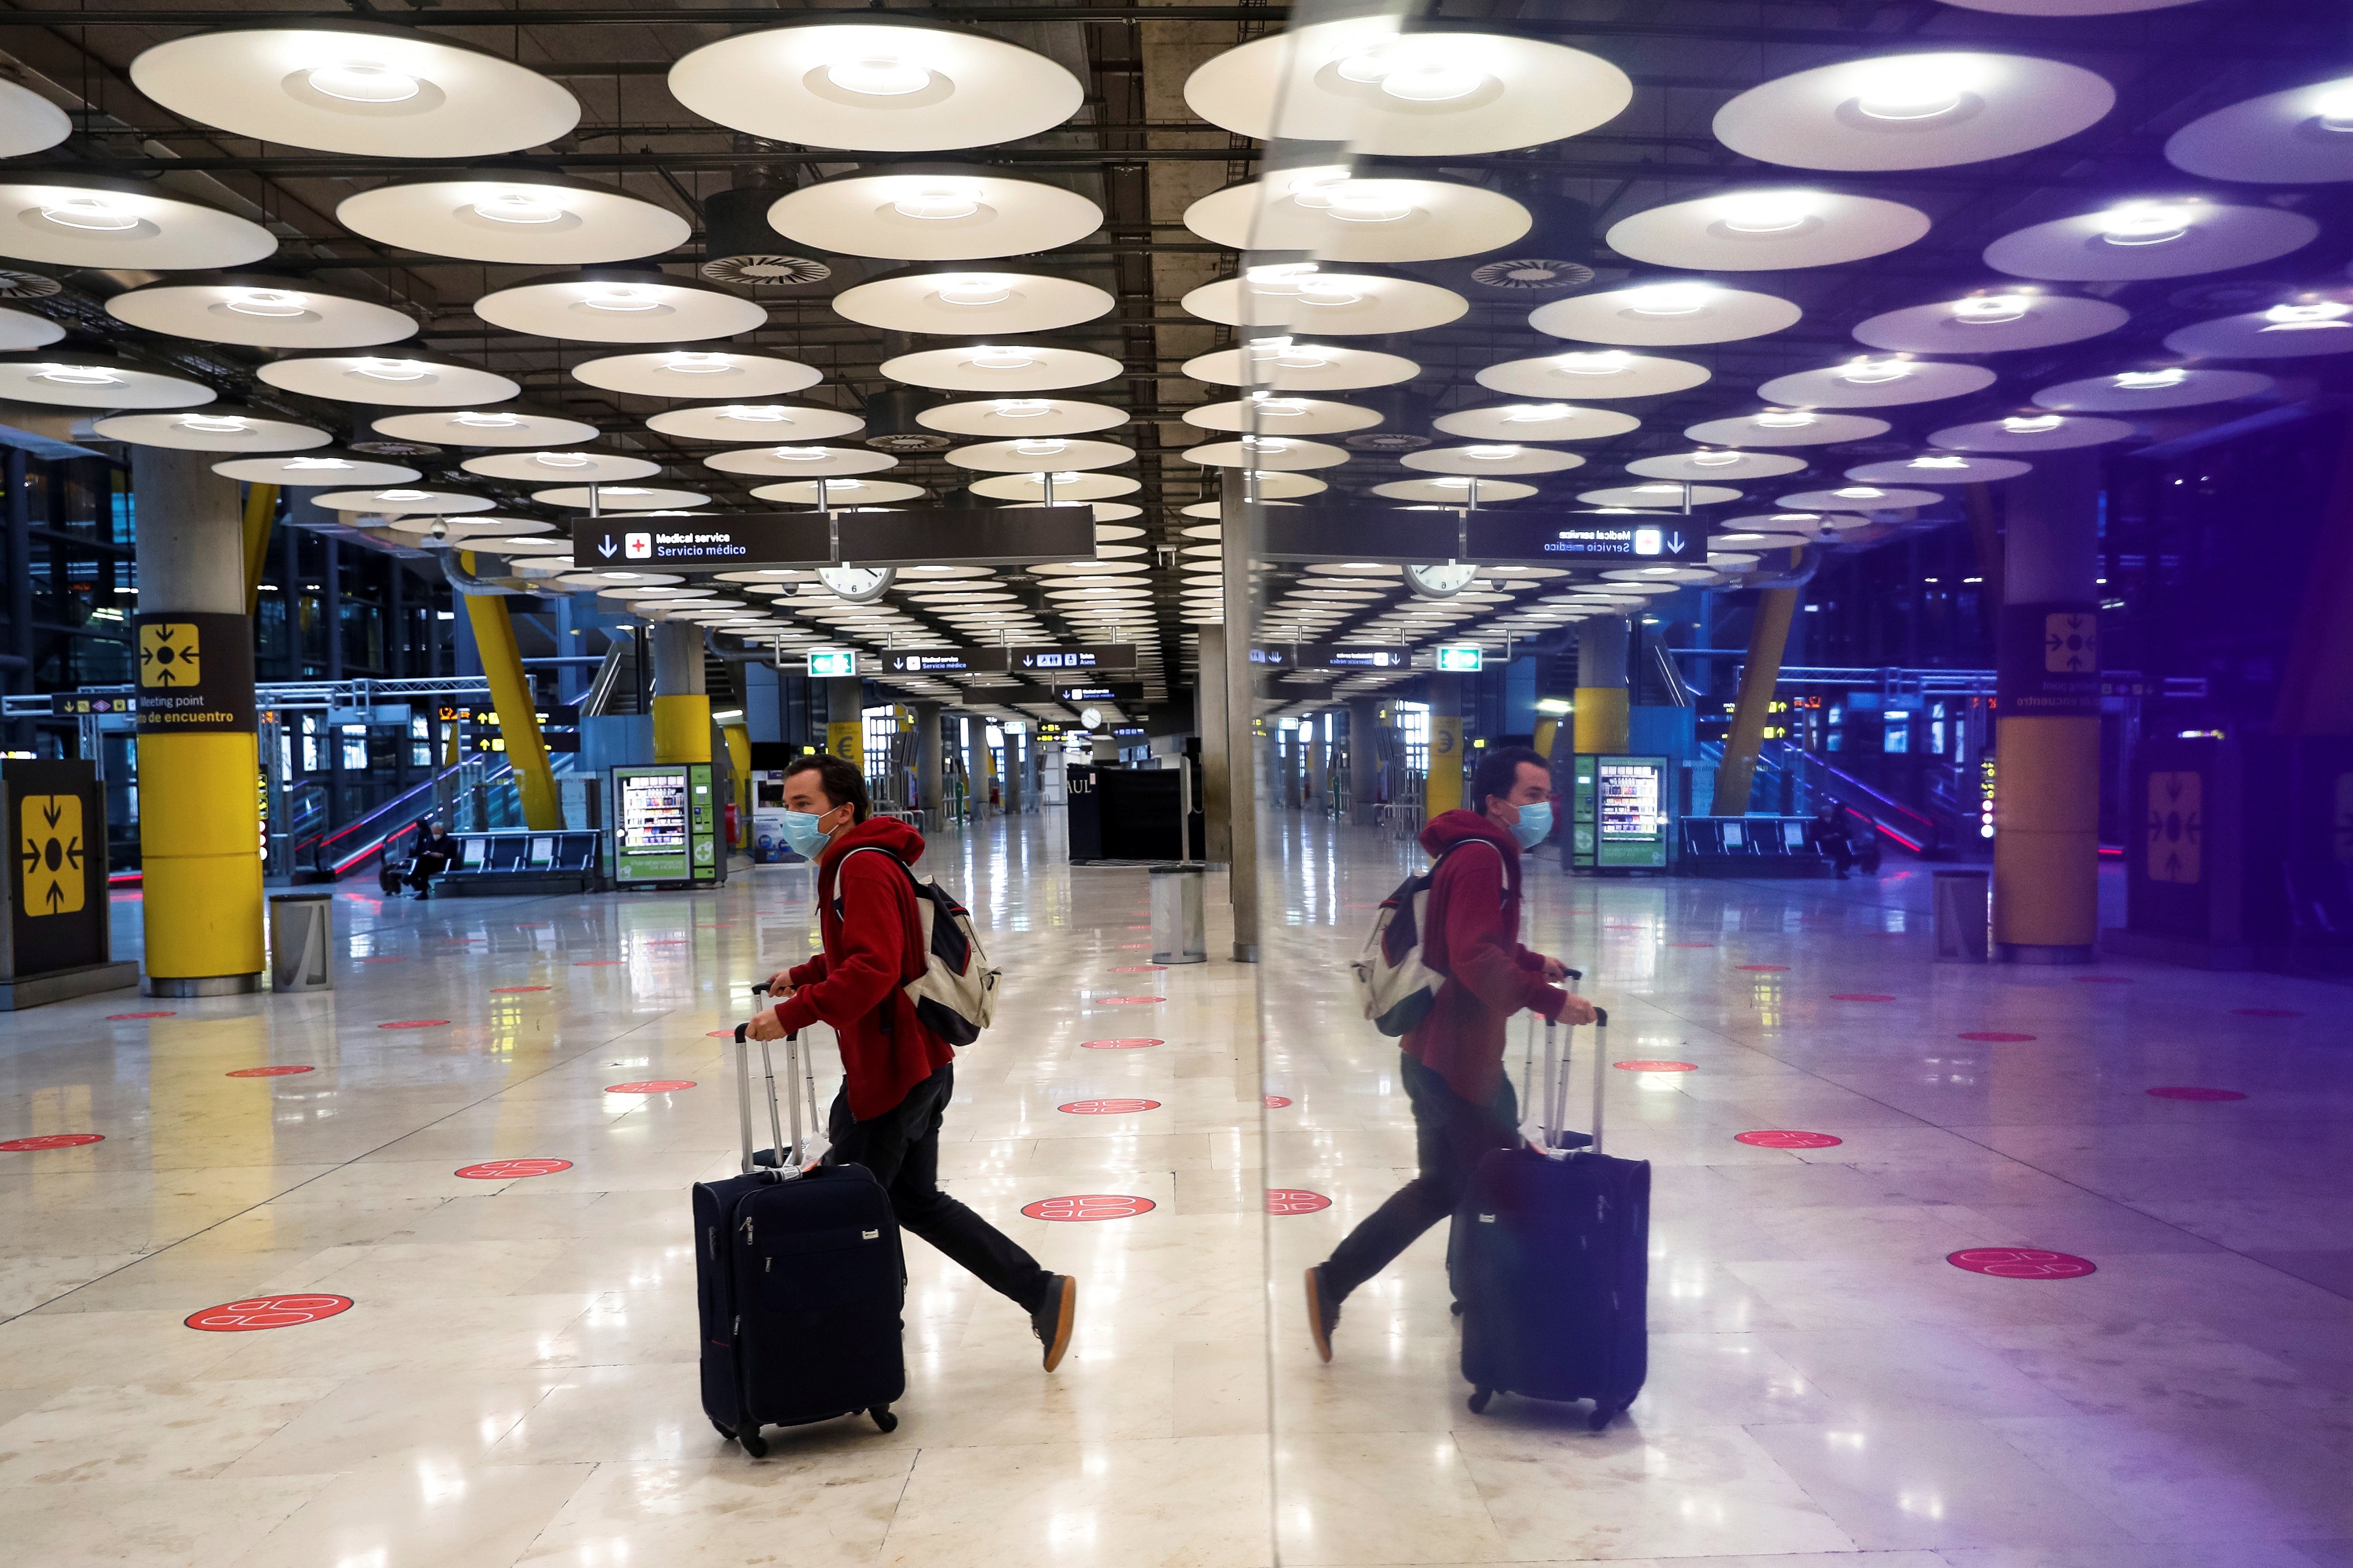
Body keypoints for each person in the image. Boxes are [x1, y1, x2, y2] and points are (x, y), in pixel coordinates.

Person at [747, 753, 1078, 1371]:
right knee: (914, 1201)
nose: (789, 818)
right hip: (916, 1064)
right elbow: (880, 953)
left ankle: (856, 1349)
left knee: (852, 1210)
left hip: (891, 1072)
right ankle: (1039, 1291)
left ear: (841, 813)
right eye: (785, 804)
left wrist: (792, 1015)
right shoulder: (866, 860)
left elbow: (874, 970)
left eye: (803, 806)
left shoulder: (860, 868)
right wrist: (806, 974)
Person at [1304, 745, 1597, 1363]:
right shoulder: (1481, 859)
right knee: (1505, 1180)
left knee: (1443, 1185)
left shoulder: (1470, 851)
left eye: (1547, 793)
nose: (1544, 806)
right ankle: (1499, 1304)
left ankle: (1338, 1281)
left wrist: (1528, 961)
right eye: (1531, 795)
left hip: (1436, 1054)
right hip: (1460, 1061)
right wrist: (1547, 999)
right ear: (1495, 803)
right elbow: (1469, 957)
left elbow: (1470, 941)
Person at [407, 820, 455, 897]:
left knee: (424, 863)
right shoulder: (431, 840)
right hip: (430, 864)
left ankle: (412, 878)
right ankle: (423, 892)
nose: (434, 835)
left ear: (441, 831)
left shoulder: (449, 841)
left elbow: (446, 856)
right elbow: (423, 851)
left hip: (443, 864)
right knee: (424, 865)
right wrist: (427, 854)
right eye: (433, 833)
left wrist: (432, 854)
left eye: (436, 833)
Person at [1814, 802, 1855, 878]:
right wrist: (1833, 836)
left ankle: (1840, 869)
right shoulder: (1817, 824)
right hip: (1824, 846)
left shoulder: (1833, 823)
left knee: (1842, 847)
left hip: (1833, 844)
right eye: (1827, 813)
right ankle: (1840, 870)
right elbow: (1820, 837)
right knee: (1841, 848)